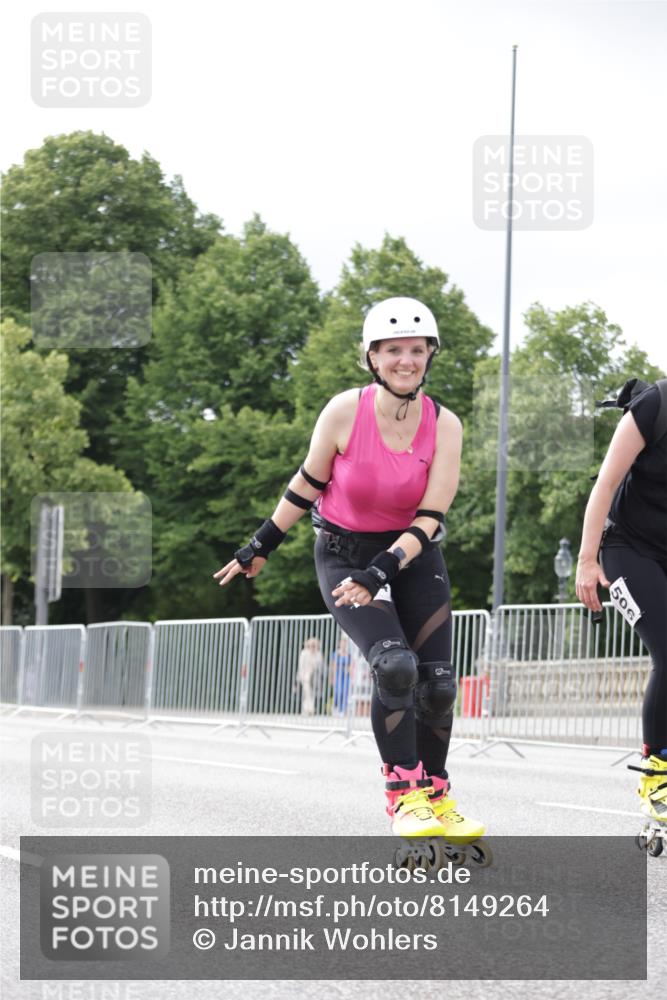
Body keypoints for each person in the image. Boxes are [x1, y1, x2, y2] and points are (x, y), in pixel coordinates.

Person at [214, 296, 483, 842]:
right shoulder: (344, 411)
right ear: (372, 358)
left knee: (438, 684)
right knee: (395, 667)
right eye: (392, 351)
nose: (405, 361)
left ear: (429, 355)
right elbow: (308, 483)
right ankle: (404, 793)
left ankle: (436, 791)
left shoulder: (445, 425)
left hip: (410, 554)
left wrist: (382, 571)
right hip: (343, 554)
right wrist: (259, 544)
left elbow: (431, 516)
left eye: (415, 350)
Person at [576, 377, 667, 829]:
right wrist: (586, 561)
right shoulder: (656, 404)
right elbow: (606, 483)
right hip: (627, 548)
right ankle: (657, 772)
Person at [297, 636, 323, 716]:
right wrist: (302, 676)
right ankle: (309, 709)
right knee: (307, 692)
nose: (312, 647)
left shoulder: (318, 654)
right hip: (305, 676)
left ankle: (307, 709)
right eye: (311, 645)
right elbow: (301, 666)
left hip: (315, 676)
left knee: (312, 693)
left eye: (314, 645)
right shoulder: (304, 653)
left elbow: (320, 666)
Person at [329, 636, 352, 715]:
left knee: (345, 692)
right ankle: (335, 707)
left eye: (345, 644)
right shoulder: (336, 654)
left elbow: (350, 666)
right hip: (338, 675)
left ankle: (342, 710)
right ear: (340, 644)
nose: (343, 645)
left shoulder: (348, 655)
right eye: (342, 643)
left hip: (346, 676)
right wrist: (332, 677)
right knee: (338, 692)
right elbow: (333, 666)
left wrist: (348, 670)